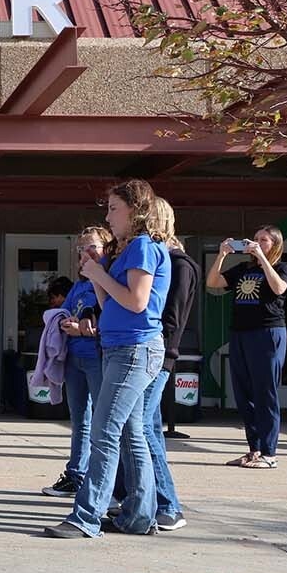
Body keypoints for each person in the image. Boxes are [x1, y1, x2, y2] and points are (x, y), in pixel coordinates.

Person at [44, 179, 170, 539]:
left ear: (136, 209)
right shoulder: (130, 250)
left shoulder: (144, 247)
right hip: (121, 347)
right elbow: (108, 304)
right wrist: (97, 273)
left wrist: (99, 273)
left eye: (114, 208)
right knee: (130, 434)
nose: (109, 215)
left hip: (133, 349)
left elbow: (137, 302)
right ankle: (138, 516)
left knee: (104, 432)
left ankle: (86, 517)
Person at [128, 197, 197, 530]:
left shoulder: (179, 264)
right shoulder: (160, 258)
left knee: (142, 429)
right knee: (147, 427)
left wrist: (161, 351)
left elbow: (173, 318)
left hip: (158, 355)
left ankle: (168, 503)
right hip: (154, 352)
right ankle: (150, 501)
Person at [206, 224, 287, 469]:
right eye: (254, 239)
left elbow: (279, 288)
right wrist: (222, 255)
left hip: (268, 332)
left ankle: (270, 453)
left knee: (266, 393)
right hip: (240, 333)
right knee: (244, 394)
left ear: (274, 244)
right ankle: (254, 450)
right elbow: (213, 282)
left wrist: (263, 258)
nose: (256, 243)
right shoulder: (243, 268)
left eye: (263, 240)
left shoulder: (283, 267)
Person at [42, 226, 110, 498]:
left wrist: (83, 329)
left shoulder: (108, 280)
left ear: (106, 249)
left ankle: (103, 480)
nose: (84, 254)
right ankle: (75, 475)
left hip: (97, 358)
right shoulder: (80, 285)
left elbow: (110, 316)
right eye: (80, 249)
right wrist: (64, 321)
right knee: (80, 418)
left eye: (91, 247)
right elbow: (65, 311)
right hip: (75, 357)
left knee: (103, 422)